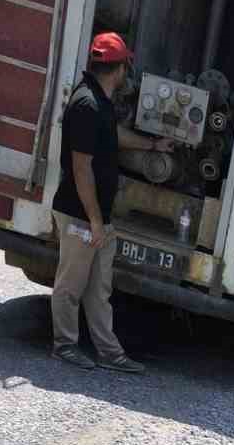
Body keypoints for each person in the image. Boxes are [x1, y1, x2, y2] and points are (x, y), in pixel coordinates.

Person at [51, 32, 173, 373]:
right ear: (120, 69)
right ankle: (64, 345)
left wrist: (153, 146)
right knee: (70, 286)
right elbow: (81, 168)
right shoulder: (87, 104)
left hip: (97, 218)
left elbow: (114, 135)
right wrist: (93, 220)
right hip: (80, 216)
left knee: (98, 291)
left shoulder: (99, 102)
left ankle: (109, 353)